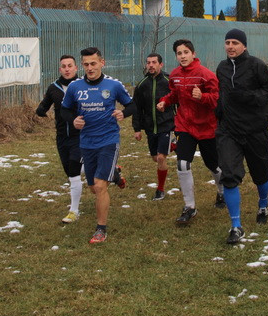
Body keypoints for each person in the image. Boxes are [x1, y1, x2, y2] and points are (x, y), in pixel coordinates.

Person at [61, 47, 135, 244]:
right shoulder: (75, 87)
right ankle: (115, 174)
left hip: (109, 140)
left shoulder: (114, 85)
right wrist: (73, 120)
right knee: (93, 187)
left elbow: (132, 105)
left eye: (93, 63)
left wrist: (123, 113)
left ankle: (101, 229)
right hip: (87, 142)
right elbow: (64, 110)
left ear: (102, 63)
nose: (90, 68)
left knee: (101, 186)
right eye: (86, 64)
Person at [215, 29, 268, 244]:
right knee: (229, 175)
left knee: (260, 174)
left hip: (255, 130)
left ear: (244, 45)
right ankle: (236, 226)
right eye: (227, 42)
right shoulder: (222, 68)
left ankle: (263, 204)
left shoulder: (256, 65)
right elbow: (222, 95)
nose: (230, 46)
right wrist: (219, 113)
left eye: (235, 42)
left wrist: (248, 96)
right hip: (229, 131)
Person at [156, 39, 224, 226]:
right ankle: (189, 206)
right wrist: (165, 101)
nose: (183, 56)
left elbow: (217, 99)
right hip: (184, 126)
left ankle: (222, 192)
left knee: (213, 165)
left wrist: (202, 96)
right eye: (179, 53)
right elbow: (175, 94)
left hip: (207, 127)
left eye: (186, 52)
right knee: (183, 163)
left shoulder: (206, 75)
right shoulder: (175, 75)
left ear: (193, 54)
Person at [36, 55, 85, 224]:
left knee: (74, 171)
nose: (67, 69)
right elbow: (45, 105)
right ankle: (110, 171)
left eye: (70, 66)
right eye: (64, 66)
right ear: (60, 69)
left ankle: (74, 211)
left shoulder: (83, 86)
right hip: (62, 137)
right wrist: (41, 110)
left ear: (76, 68)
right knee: (70, 170)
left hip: (80, 135)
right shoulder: (54, 88)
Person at [132, 53, 175, 201]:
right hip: (150, 126)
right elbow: (136, 108)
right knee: (155, 158)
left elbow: (178, 101)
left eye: (154, 62)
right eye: (148, 62)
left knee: (161, 158)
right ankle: (173, 145)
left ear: (160, 64)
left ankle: (160, 189)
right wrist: (137, 129)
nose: (150, 65)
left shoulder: (169, 81)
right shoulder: (142, 84)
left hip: (166, 124)